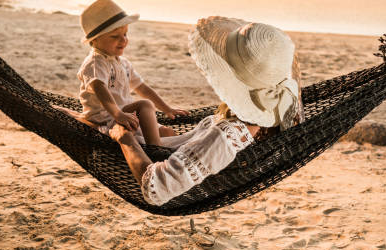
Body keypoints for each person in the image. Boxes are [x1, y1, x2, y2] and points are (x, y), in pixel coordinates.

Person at [109, 16, 304, 206]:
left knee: (107, 117)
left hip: (139, 152)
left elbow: (157, 188)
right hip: (159, 146)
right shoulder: (268, 116)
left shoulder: (228, 135)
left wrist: (124, 138)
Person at [76, 0, 188, 145]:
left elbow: (141, 87)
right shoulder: (96, 62)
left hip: (126, 114)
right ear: (95, 40)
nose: (123, 40)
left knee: (168, 132)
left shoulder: (122, 62)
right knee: (145, 105)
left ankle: (168, 153)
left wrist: (167, 109)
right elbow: (99, 87)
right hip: (106, 118)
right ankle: (156, 151)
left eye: (125, 34)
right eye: (115, 36)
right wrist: (117, 113)